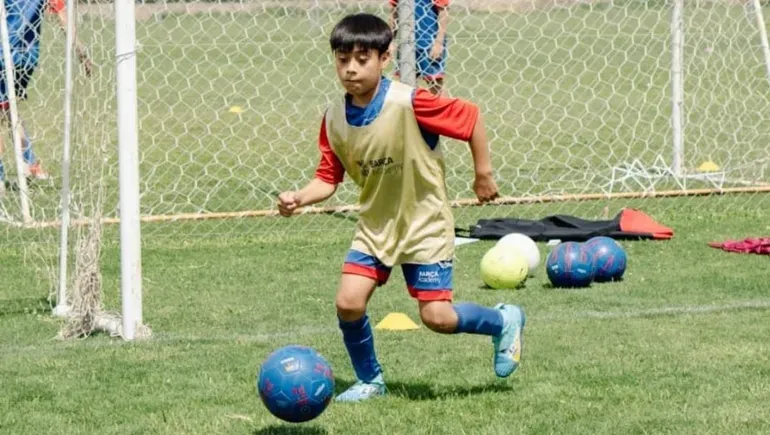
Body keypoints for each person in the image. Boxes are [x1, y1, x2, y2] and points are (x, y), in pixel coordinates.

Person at [277, 13, 526, 403]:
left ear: (385, 58)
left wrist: (483, 174)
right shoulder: (334, 119)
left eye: (362, 58)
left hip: (424, 225)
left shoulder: (410, 102)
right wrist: (299, 197)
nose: (351, 68)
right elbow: (327, 178)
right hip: (375, 226)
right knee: (348, 302)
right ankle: (371, 380)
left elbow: (471, 118)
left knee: (436, 319)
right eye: (343, 59)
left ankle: (503, 320)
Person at [0, 0, 92, 191]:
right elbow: (63, 17)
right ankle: (30, 164)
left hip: (4, 54)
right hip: (28, 58)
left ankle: (3, 175)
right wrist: (81, 52)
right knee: (8, 109)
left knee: (4, 110)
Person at [389, 0, 449, 95]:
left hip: (429, 42)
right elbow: (394, 12)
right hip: (406, 41)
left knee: (435, 82)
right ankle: (414, 108)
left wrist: (438, 42)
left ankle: (444, 108)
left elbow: (443, 12)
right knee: (405, 82)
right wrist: (390, 40)